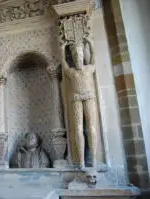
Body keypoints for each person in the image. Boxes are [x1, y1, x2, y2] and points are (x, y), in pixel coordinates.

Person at [61, 39, 97, 169]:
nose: (78, 58)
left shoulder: (89, 69)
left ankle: (93, 160)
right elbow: (64, 64)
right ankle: (81, 161)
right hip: (76, 98)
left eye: (80, 55)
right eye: (75, 56)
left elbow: (93, 59)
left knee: (92, 127)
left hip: (89, 97)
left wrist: (91, 44)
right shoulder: (72, 72)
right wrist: (63, 49)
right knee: (78, 128)